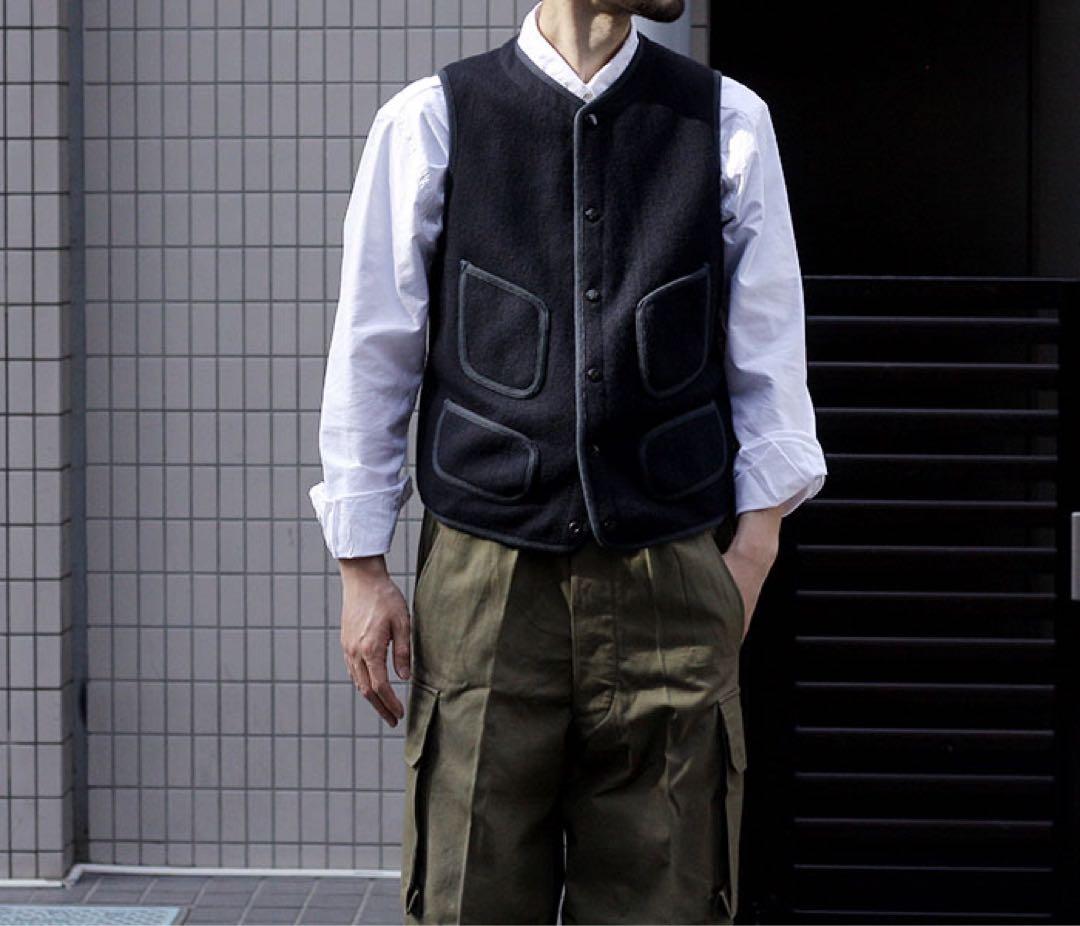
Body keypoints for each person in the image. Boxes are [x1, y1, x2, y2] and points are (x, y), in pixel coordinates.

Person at [308, 0, 827, 921]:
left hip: (671, 567)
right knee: (469, 891)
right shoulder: (432, 118)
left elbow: (770, 347)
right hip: (482, 574)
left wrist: (754, 549)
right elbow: (373, 349)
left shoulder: (727, 119)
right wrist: (361, 567)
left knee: (666, 898)